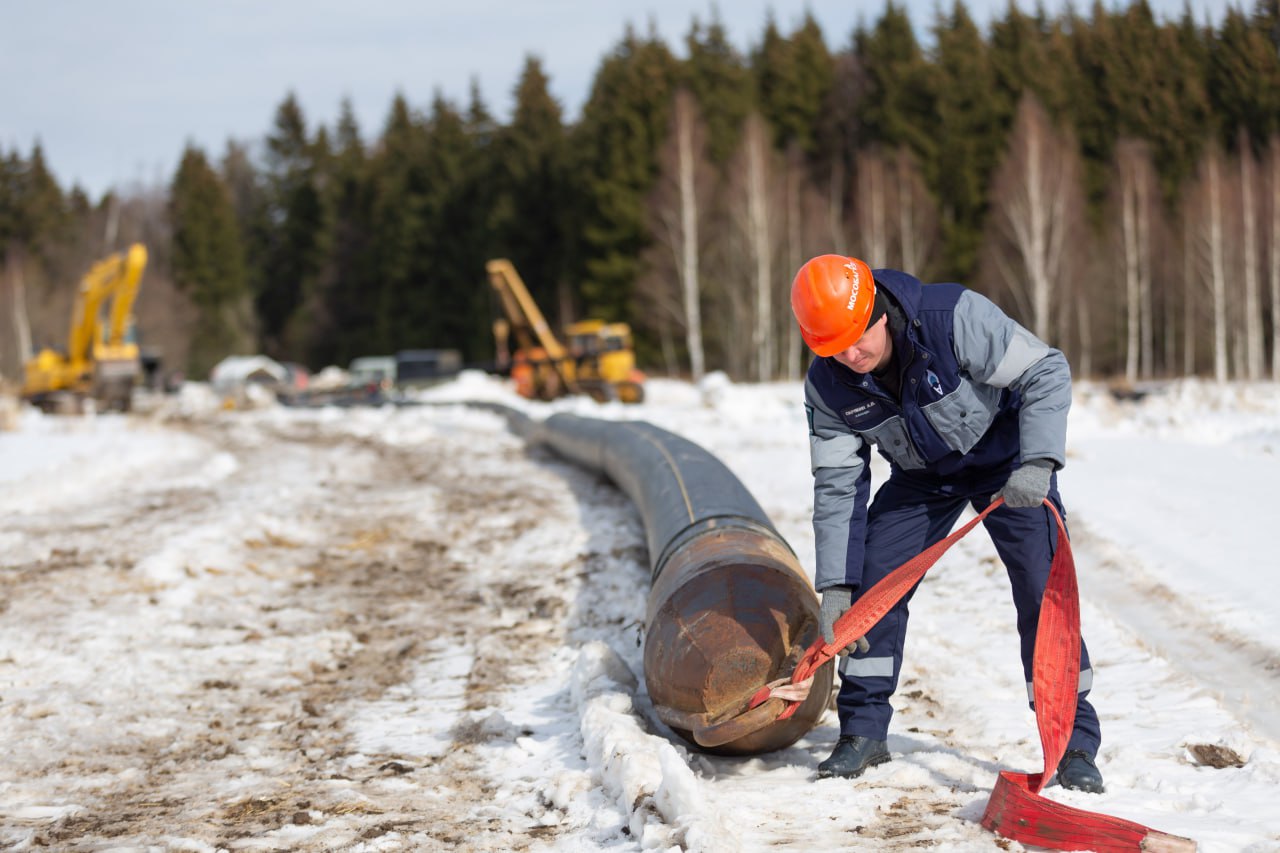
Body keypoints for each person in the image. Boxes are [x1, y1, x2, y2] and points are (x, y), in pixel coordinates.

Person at [791, 254, 1104, 792]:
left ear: (877, 311)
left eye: (856, 338)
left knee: (1040, 586)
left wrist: (1038, 462)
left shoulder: (951, 317)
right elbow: (838, 484)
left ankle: (1072, 741)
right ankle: (863, 733)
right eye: (831, 348)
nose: (850, 355)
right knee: (872, 585)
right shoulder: (829, 387)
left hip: (1008, 463)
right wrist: (836, 585)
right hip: (922, 478)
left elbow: (1044, 369)